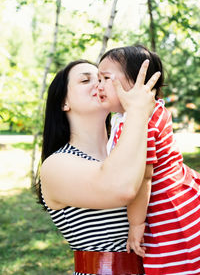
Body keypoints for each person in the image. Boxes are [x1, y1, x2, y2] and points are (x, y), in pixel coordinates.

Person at [38, 58, 160, 275]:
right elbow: (120, 188)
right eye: (86, 80)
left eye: (104, 78)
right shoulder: (55, 166)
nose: (100, 84)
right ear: (63, 103)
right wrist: (137, 112)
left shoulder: (132, 149)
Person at [98, 44, 200, 274]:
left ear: (138, 84)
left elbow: (142, 178)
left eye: (105, 78)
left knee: (176, 265)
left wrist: (135, 225)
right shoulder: (139, 114)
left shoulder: (139, 123)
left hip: (168, 211)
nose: (99, 85)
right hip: (180, 194)